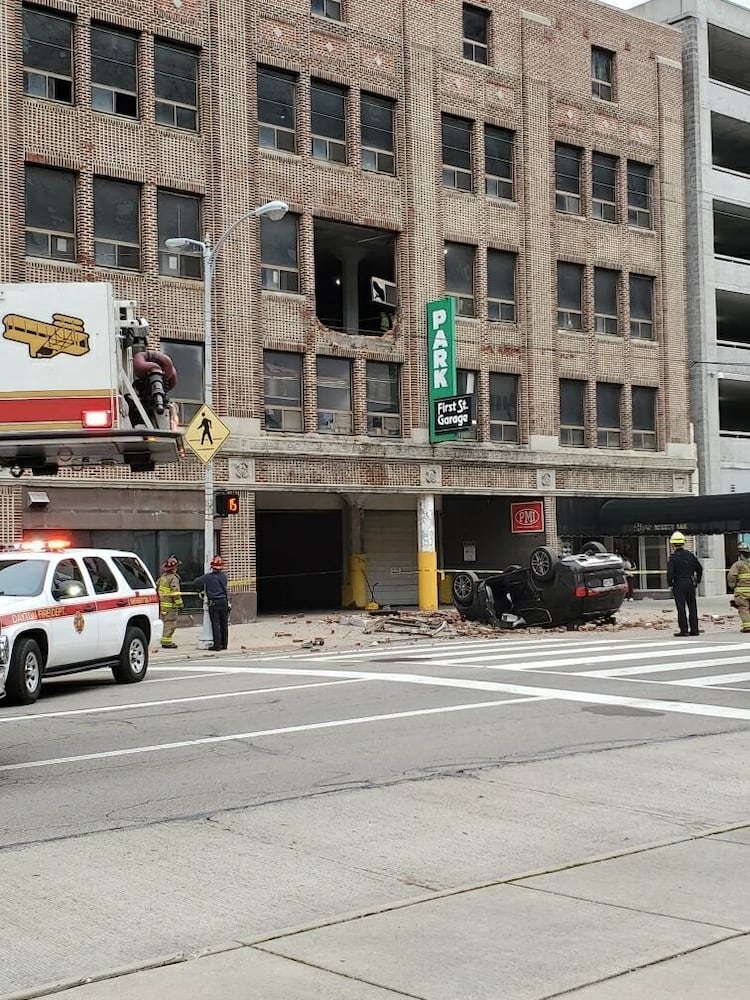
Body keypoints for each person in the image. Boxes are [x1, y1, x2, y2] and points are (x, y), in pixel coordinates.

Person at [189, 555, 230, 651]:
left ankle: (217, 646)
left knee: (215, 624)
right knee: (224, 624)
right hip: (224, 601)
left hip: (214, 603)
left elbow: (196, 582)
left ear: (212, 567)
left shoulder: (208, 577)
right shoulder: (224, 576)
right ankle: (224, 645)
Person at [666, 531, 703, 637]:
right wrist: (697, 580)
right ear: (684, 543)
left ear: (672, 544)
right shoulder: (690, 555)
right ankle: (695, 629)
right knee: (692, 607)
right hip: (690, 582)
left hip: (679, 584)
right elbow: (699, 568)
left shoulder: (673, 558)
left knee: (681, 607)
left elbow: (670, 573)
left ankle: (684, 630)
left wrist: (670, 584)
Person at [156, 556, 183, 649]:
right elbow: (175, 592)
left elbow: (156, 587)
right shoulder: (173, 578)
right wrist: (179, 604)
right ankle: (167, 642)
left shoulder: (162, 577)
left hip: (162, 605)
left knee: (164, 623)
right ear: (174, 568)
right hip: (170, 606)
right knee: (170, 623)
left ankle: (164, 640)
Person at [727, 542, 750, 635]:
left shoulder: (738, 565)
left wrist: (732, 585)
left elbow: (731, 576)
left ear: (740, 554)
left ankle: (747, 627)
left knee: (744, 609)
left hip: (742, 593)